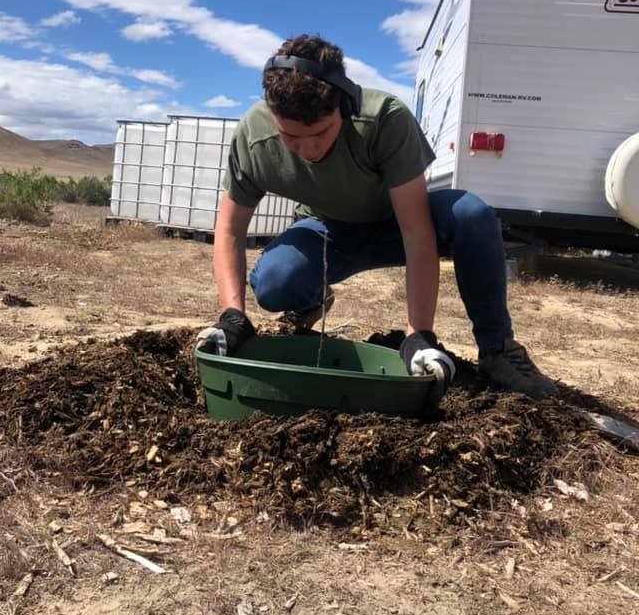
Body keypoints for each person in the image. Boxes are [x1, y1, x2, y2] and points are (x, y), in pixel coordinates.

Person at [196, 34, 557, 401]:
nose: (307, 150)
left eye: (320, 134)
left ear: (346, 105)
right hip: (327, 230)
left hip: (395, 224)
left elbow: (417, 233)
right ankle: (309, 301)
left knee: (471, 213)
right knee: (275, 279)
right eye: (291, 137)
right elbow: (229, 231)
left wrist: (419, 334)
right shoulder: (253, 137)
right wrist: (232, 316)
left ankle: (498, 350)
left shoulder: (385, 119)